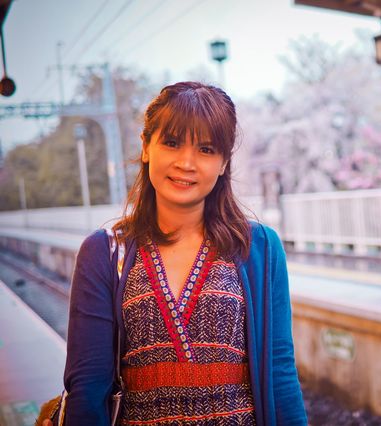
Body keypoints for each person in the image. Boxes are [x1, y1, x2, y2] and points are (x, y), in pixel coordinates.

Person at [51, 82, 308, 425]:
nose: (186, 163)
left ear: (223, 163)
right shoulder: (104, 252)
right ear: (146, 147)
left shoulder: (258, 247)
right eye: (171, 143)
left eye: (205, 149)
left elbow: (279, 371)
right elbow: (88, 386)